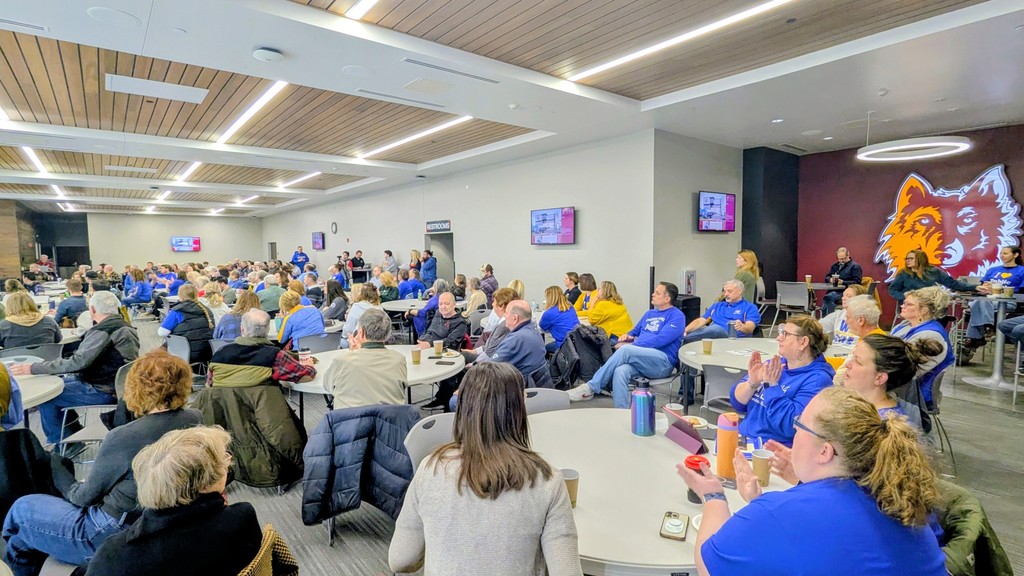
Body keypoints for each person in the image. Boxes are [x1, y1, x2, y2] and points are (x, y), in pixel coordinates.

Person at [676, 386, 947, 576]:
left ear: (825, 451)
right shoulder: (896, 496)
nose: (793, 433)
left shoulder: (780, 512)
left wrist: (713, 496)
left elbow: (708, 565)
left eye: (799, 426)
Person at [2, 350, 201, 575]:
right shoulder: (195, 419)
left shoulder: (124, 438)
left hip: (111, 530)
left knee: (22, 508)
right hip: (159, 520)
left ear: (134, 387)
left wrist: (54, 464)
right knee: (21, 541)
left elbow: (82, 497)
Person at [389, 362, 582, 576]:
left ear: (462, 408)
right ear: (519, 410)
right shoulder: (547, 481)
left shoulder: (431, 468)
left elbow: (400, 559)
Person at [83, 426, 262, 576]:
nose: (228, 463)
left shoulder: (113, 555)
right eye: (224, 460)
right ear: (204, 484)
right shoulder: (241, 517)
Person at [7, 291, 138, 444]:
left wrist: (33, 368)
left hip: (103, 389)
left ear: (93, 310)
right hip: (118, 386)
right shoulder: (124, 326)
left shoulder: (103, 331)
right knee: (59, 383)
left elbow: (77, 362)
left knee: (49, 398)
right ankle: (72, 431)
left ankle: (63, 442)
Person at [567, 282, 685, 408]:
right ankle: (622, 412)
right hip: (643, 360)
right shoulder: (649, 314)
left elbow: (661, 339)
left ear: (667, 299)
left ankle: (591, 387)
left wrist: (633, 344)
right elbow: (634, 331)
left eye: (657, 293)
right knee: (620, 371)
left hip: (662, 362)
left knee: (626, 350)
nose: (653, 294)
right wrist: (627, 336)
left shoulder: (677, 316)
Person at [729, 315, 834, 445]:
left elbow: (791, 426)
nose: (779, 338)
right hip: (744, 440)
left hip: (772, 452)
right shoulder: (776, 365)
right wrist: (752, 383)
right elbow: (737, 403)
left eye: (785, 334)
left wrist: (771, 386)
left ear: (803, 342)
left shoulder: (818, 379)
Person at [843, 333, 940, 430]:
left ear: (880, 378)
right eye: (853, 357)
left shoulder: (881, 429)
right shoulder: (862, 408)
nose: (847, 364)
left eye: (858, 361)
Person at [207, 309, 316, 388]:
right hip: (263, 414)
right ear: (268, 330)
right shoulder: (275, 356)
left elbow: (209, 385)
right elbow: (305, 376)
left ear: (242, 329)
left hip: (223, 414)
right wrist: (309, 365)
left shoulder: (219, 353)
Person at [324, 309, 407, 409]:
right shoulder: (399, 359)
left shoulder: (343, 360)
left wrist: (353, 353)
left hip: (352, 421)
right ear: (387, 334)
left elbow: (328, 385)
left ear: (361, 332)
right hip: (391, 421)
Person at [890, 287, 953, 409]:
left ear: (924, 310)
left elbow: (907, 371)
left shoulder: (931, 335)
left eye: (909, 304)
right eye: (904, 303)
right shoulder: (905, 325)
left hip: (913, 393)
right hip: (899, 382)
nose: (902, 306)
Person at [961, 246, 1024, 358]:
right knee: (981, 301)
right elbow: (983, 286)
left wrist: (1001, 289)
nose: (1002, 255)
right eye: (1001, 253)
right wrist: (986, 287)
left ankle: (976, 337)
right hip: (989, 299)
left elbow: (1022, 290)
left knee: (977, 304)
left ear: (1015, 255)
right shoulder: (993, 270)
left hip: (1008, 301)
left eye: (1005, 253)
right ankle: (988, 327)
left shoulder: (1021, 271)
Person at [478, 300, 550, 388]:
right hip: (537, 385)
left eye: (506, 313)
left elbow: (490, 368)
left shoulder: (515, 340)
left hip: (516, 389)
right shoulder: (533, 331)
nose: (504, 315)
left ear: (515, 318)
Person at [683, 279, 761, 343]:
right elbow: (702, 320)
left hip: (734, 340)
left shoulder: (749, 307)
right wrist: (685, 331)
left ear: (740, 291)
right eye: (724, 291)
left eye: (729, 291)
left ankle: (682, 340)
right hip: (713, 337)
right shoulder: (717, 306)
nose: (726, 294)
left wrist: (742, 326)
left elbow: (750, 328)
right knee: (699, 330)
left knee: (716, 329)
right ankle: (681, 338)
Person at [831, 294, 886, 385]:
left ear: (861, 320)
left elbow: (840, 377)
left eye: (848, 317)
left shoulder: (869, 345)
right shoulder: (873, 337)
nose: (846, 321)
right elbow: (845, 362)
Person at [888, 249, 974, 305]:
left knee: (940, 306)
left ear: (920, 259)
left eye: (910, 258)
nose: (907, 260)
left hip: (931, 304)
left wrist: (976, 287)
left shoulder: (934, 271)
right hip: (911, 304)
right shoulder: (903, 273)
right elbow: (892, 290)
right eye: (906, 258)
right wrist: (904, 296)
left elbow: (953, 283)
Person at [157, 285, 214, 365]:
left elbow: (161, 332)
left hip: (184, 352)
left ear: (180, 295)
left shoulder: (177, 311)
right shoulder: (206, 310)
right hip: (207, 353)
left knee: (159, 351)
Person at [821, 246, 863, 315]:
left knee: (828, 298)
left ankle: (828, 318)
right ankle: (826, 319)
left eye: (843, 258)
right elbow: (827, 277)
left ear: (848, 255)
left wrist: (843, 282)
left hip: (845, 291)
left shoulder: (855, 266)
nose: (841, 261)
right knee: (827, 298)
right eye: (839, 259)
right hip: (833, 290)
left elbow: (857, 282)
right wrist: (830, 279)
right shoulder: (835, 265)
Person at [538, 286, 580, 354]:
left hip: (564, 344)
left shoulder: (549, 313)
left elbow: (542, 327)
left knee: (544, 349)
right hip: (578, 343)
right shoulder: (570, 307)